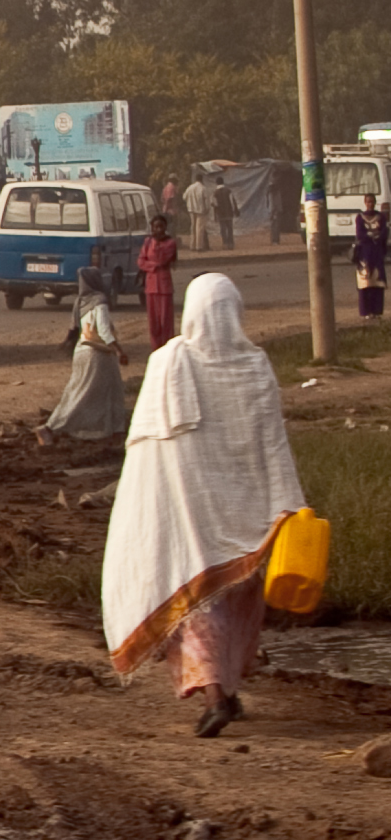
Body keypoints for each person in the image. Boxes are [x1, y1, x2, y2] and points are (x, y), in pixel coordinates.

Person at [103, 271, 305, 739]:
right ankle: (227, 693)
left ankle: (217, 697)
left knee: (199, 608)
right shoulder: (255, 364)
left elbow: (150, 450)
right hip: (252, 518)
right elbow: (273, 444)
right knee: (235, 608)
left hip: (191, 518)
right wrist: (287, 502)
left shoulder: (171, 361)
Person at [42, 269, 128, 446]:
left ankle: (116, 431)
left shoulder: (80, 302)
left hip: (83, 352)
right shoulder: (100, 302)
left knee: (108, 391)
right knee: (85, 394)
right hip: (98, 355)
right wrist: (119, 351)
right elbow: (104, 331)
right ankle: (50, 427)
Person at [139, 214, 181, 349]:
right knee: (153, 321)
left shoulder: (170, 243)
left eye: (160, 227)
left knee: (165, 320)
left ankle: (167, 347)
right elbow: (140, 261)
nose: (158, 230)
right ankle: (155, 347)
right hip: (151, 286)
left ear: (165, 227)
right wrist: (152, 266)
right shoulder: (147, 242)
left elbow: (162, 260)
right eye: (155, 227)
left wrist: (151, 262)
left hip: (164, 286)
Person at [355, 198, 386, 323]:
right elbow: (360, 234)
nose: (370, 204)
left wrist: (377, 236)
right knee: (365, 283)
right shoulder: (360, 217)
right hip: (364, 254)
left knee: (377, 283)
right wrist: (370, 235)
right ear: (365, 203)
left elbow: (384, 233)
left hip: (377, 253)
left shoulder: (381, 217)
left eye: (372, 202)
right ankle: (365, 312)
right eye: (368, 202)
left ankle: (377, 311)